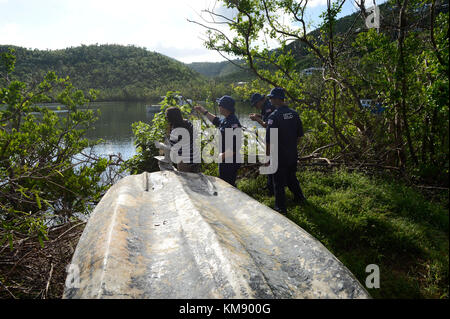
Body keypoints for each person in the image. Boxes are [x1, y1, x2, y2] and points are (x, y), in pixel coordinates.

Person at [265, 87, 306, 215]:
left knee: (278, 182)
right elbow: (300, 136)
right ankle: (300, 197)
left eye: (271, 98)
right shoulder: (294, 114)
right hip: (292, 154)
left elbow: (269, 140)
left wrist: (267, 157)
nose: (270, 100)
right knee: (291, 177)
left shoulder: (274, 116)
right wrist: (291, 148)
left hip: (279, 156)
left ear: (277, 99)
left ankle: (280, 208)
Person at [194, 96, 242, 187]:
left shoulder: (233, 123)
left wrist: (222, 155)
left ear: (224, 107)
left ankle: (231, 200)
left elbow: (236, 146)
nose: (218, 107)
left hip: (230, 161)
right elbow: (216, 120)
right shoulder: (227, 119)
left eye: (219, 105)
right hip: (225, 159)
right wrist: (203, 111)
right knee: (225, 183)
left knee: (228, 185)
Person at [249, 92, 275, 195]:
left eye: (256, 104)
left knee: (271, 162)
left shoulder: (269, 107)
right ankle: (270, 186)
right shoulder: (266, 106)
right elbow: (266, 117)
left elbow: (266, 125)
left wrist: (256, 119)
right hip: (272, 138)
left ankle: (272, 190)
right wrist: (258, 115)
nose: (255, 106)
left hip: (274, 139)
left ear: (260, 100)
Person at [165, 107, 201, 173]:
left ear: (171, 118)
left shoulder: (175, 130)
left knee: (187, 180)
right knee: (195, 179)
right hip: (195, 157)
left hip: (184, 161)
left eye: (167, 117)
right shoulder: (188, 123)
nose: (166, 119)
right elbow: (196, 136)